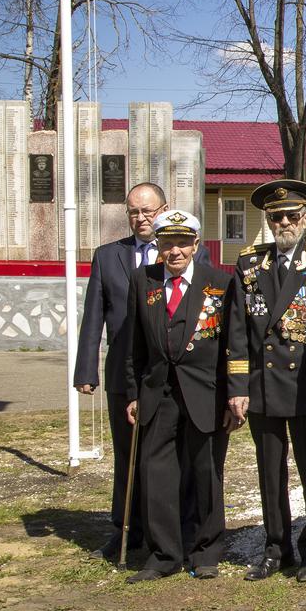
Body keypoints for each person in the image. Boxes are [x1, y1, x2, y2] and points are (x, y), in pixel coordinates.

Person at [75, 182, 210, 560]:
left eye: (148, 211)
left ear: (164, 209)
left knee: (176, 456)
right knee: (127, 456)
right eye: (134, 211)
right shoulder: (108, 257)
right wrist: (86, 369)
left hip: (176, 375)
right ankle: (126, 529)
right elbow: (94, 317)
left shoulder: (190, 254)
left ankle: (181, 529)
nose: (140, 218)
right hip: (126, 372)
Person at [121, 210, 240, 582]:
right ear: (158, 245)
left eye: (182, 243)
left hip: (207, 394)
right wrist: (133, 392)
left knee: (206, 472)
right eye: (167, 243)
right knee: (157, 473)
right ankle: (163, 554)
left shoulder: (220, 283)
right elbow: (132, 344)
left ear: (195, 245)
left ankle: (206, 551)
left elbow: (234, 344)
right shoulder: (145, 281)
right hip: (158, 393)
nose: (174, 251)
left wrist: (235, 396)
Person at [227, 179, 306, 583]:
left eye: (292, 215)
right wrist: (237, 388)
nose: (284, 222)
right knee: (270, 470)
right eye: (276, 217)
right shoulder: (250, 264)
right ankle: (276, 547)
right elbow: (237, 333)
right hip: (264, 387)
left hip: (305, 386)